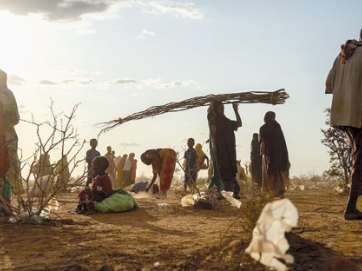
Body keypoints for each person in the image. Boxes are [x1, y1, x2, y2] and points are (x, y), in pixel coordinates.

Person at [325, 31, 362, 220]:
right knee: (359, 160)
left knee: (358, 157)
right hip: (359, 114)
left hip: (344, 116)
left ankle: (352, 206)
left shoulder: (343, 55)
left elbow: (329, 85)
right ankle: (350, 208)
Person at [207, 101, 242, 199]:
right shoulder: (213, 121)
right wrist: (213, 104)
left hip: (228, 151)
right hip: (218, 150)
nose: (222, 111)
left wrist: (236, 110)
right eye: (220, 109)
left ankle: (231, 192)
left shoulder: (226, 121)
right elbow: (210, 115)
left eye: (223, 109)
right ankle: (217, 192)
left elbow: (239, 124)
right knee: (219, 170)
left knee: (229, 170)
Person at [0, 69, 24, 209]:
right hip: (4, 135)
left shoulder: (5, 94)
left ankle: (6, 201)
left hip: (6, 137)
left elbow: (8, 116)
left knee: (7, 168)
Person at [259, 111, 290, 199]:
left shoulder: (277, 127)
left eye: (273, 117)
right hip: (269, 154)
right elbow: (262, 141)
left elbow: (281, 141)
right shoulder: (263, 128)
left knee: (279, 172)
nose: (272, 119)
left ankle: (280, 190)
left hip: (278, 153)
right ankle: (271, 192)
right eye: (271, 117)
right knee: (270, 173)